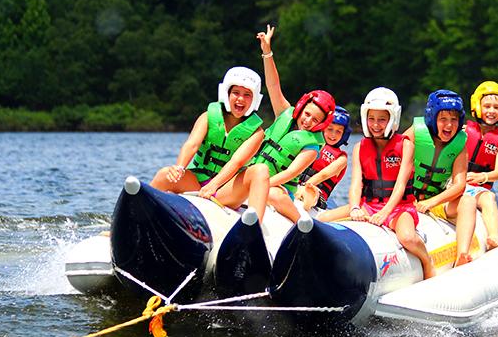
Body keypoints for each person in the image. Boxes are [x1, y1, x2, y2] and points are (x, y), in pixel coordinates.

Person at [319, 87, 435, 280]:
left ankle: (427, 261)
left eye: (382, 119)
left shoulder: (406, 145)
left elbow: (400, 185)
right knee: (321, 221)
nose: (376, 124)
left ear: (393, 119)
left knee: (406, 237)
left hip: (399, 208)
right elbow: (356, 183)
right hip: (368, 206)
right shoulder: (359, 148)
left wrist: (385, 212)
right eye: (371, 118)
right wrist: (355, 207)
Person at [255, 24, 336, 222]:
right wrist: (267, 52)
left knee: (273, 194)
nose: (308, 121)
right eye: (307, 114)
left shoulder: (311, 146)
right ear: (301, 108)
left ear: (321, 123)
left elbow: (291, 172)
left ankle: (300, 225)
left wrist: (261, 184)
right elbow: (273, 84)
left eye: (315, 119)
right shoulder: (285, 112)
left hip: (278, 188)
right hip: (255, 175)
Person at [149, 67, 266, 196]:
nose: (240, 99)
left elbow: (236, 162)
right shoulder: (207, 117)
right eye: (236, 92)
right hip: (197, 181)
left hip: (226, 189)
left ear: (254, 99)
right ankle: (138, 208)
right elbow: (192, 144)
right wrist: (179, 168)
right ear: (226, 93)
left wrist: (213, 185)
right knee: (164, 174)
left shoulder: (257, 133)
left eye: (247, 94)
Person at [404, 89, 473, 266]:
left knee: (468, 201)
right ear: (432, 118)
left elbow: (459, 185)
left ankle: (462, 255)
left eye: (454, 119)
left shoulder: (459, 146)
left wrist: (430, 203)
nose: (449, 125)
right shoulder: (414, 133)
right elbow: (395, 163)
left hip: (436, 203)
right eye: (443, 119)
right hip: (407, 200)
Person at [455, 81, 498, 265]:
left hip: (479, 189)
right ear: (477, 107)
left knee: (489, 199)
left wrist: (483, 177)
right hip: (457, 185)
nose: (491, 111)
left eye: (496, 107)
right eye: (487, 106)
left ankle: (494, 237)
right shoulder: (463, 130)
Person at [293, 106, 351, 211]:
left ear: (344, 134)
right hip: (294, 184)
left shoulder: (341, 158)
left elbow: (323, 175)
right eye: (330, 129)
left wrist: (305, 186)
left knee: (310, 191)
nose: (333, 135)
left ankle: (304, 211)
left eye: (338, 131)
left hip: (316, 194)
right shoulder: (310, 142)